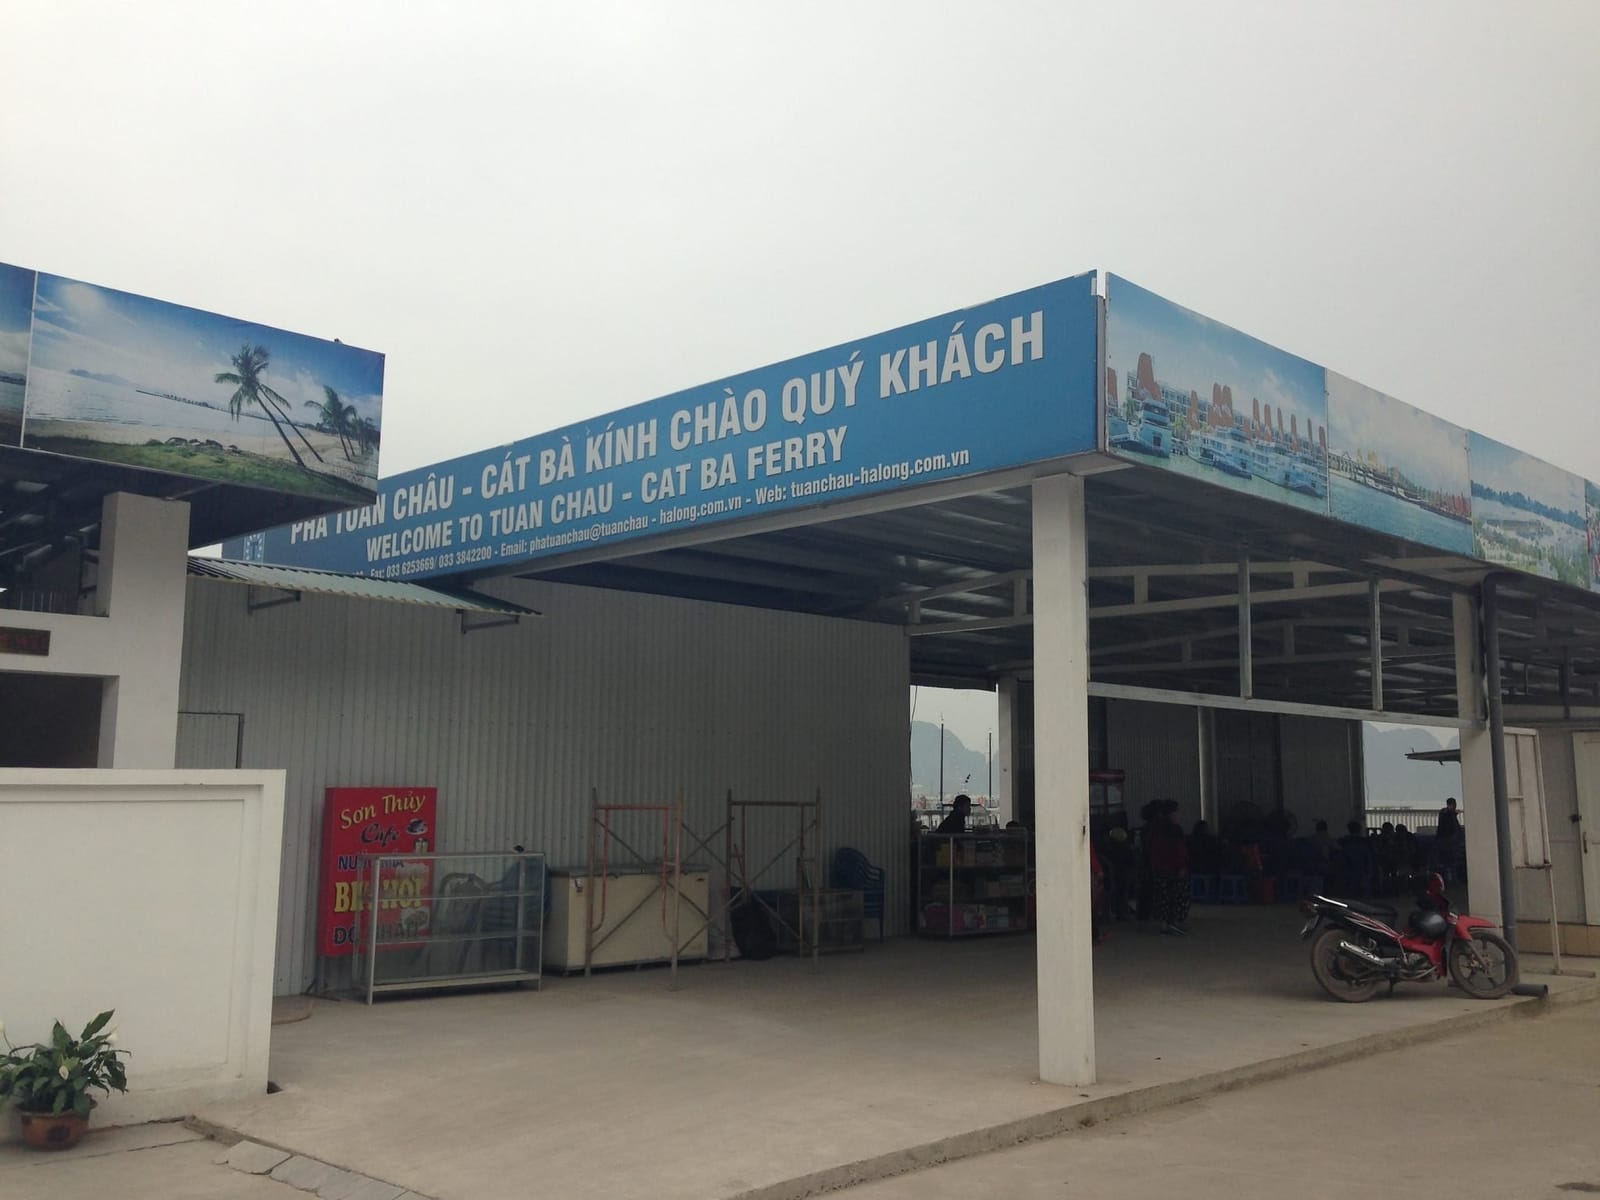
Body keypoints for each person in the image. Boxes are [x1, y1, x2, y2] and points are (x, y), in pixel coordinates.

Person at [1150, 799, 1190, 935]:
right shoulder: (1174, 830)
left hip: (1160, 868)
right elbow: (1179, 850)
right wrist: (1181, 866)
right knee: (1175, 896)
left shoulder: (1156, 828)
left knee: (1163, 897)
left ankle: (1164, 925)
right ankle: (1173, 922)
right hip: (1172, 868)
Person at [1434, 797, 1463, 881]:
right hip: (1446, 839)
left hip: (1449, 839)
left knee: (1450, 859)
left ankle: (1450, 876)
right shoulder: (1445, 813)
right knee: (1447, 858)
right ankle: (1448, 877)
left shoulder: (1449, 815)